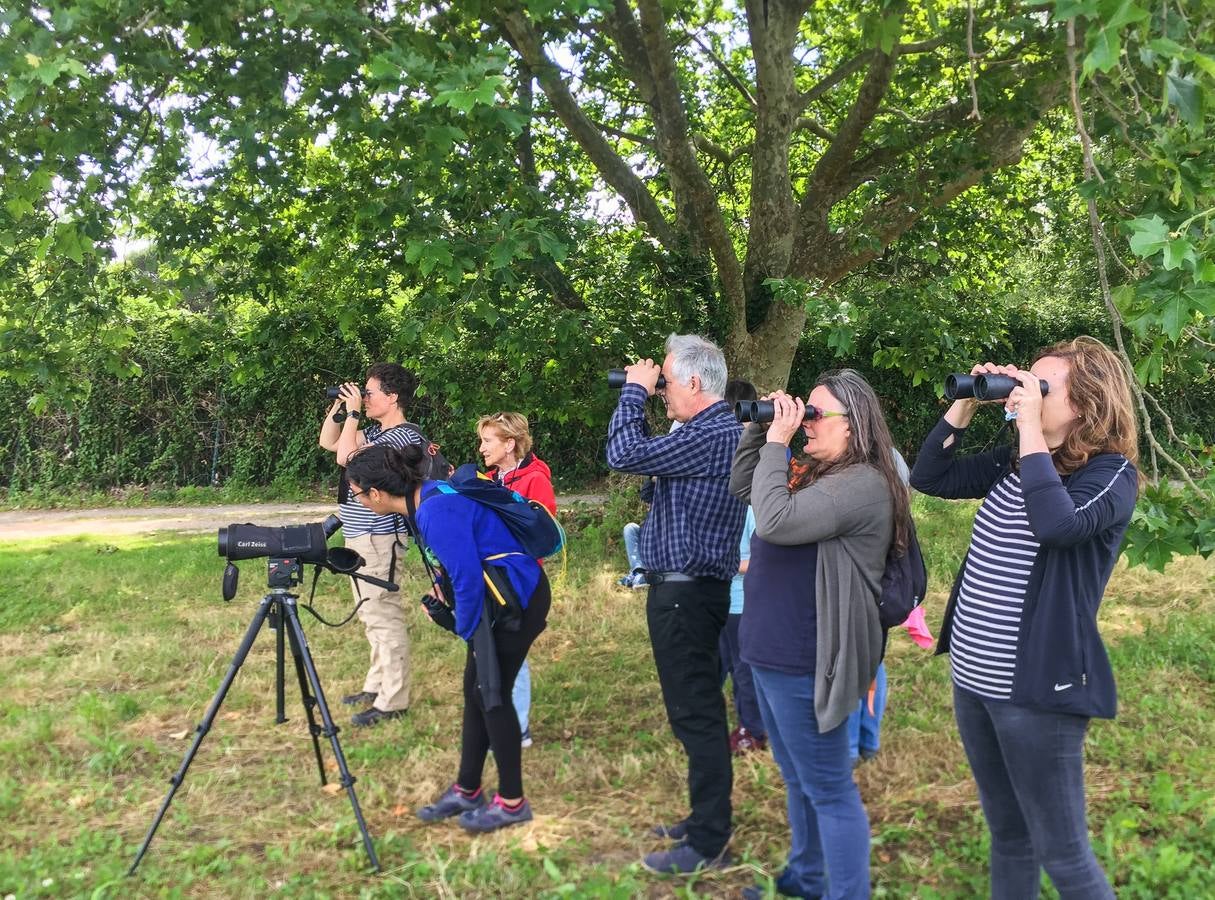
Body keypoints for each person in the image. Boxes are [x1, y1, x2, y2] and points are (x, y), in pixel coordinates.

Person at [910, 337, 1138, 899]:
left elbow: (1056, 526)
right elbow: (929, 478)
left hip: (1037, 694)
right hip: (974, 682)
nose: (1024, 394)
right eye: (1024, 383)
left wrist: (1030, 429)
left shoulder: (1111, 475)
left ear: (1086, 403)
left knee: (1064, 855)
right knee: (1009, 835)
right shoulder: (1014, 462)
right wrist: (966, 404)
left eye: (1042, 387)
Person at [730, 369, 911, 900]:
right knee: (798, 778)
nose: (805, 421)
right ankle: (807, 878)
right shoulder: (814, 471)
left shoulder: (863, 484)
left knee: (830, 790)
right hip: (772, 651)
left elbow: (776, 522)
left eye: (816, 414)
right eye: (802, 410)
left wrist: (780, 441)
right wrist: (759, 432)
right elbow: (747, 488)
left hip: (811, 657)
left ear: (853, 425)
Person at [344, 442, 551, 833]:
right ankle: (468, 789)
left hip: (515, 601)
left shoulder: (434, 510)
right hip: (502, 594)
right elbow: (463, 557)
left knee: (491, 694)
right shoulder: (430, 495)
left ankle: (512, 803)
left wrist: (464, 629)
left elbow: (470, 579)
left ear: (375, 493)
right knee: (475, 690)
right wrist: (443, 586)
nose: (358, 501)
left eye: (355, 494)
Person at [605, 333, 746, 875]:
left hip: (686, 594)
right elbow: (652, 481)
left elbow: (621, 454)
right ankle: (702, 819)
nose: (660, 388)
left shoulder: (713, 434)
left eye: (664, 379)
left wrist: (633, 393)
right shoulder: (701, 433)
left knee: (698, 716)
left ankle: (709, 842)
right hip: (688, 590)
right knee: (698, 709)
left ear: (692, 381)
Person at [318, 362, 425, 727]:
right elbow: (328, 441)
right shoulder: (377, 433)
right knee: (369, 613)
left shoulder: (403, 438)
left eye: (370, 393)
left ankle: (393, 700)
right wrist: (340, 408)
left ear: (392, 397)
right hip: (360, 534)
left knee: (384, 615)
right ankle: (376, 685)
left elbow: (344, 458)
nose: (364, 399)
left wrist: (352, 415)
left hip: (381, 538)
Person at [477, 411, 557, 749]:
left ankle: (518, 726)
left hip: (520, 577)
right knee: (493, 647)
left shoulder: (535, 479)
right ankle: (499, 716)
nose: (481, 448)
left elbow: (544, 532)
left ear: (510, 444)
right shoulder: (492, 479)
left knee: (514, 651)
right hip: (494, 575)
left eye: (487, 441)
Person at [719, 379, 767, 755]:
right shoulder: (730, 494)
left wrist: (730, 564)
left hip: (742, 603)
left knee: (744, 671)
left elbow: (761, 559)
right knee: (720, 663)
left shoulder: (751, 501)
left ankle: (753, 730)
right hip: (721, 600)